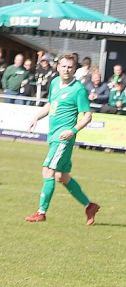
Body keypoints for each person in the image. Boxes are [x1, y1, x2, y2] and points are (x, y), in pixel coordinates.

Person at [23, 54, 100, 225]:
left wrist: (72, 131)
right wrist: (37, 117)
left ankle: (41, 212)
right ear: (58, 67)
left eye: (70, 67)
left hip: (63, 139)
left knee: (47, 171)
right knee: (61, 176)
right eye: (63, 66)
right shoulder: (55, 83)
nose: (66, 70)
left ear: (74, 69)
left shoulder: (78, 89)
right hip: (54, 136)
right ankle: (89, 205)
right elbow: (51, 104)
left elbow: (87, 116)